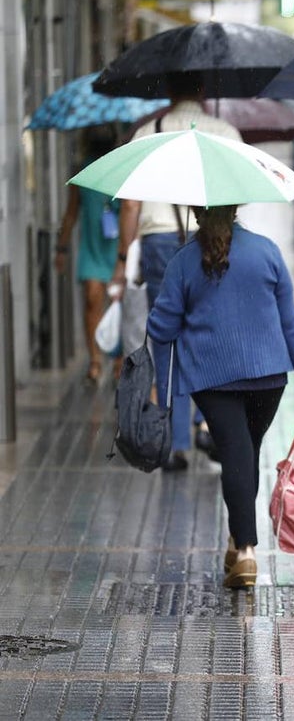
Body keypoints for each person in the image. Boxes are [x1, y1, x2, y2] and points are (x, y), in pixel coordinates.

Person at [146, 204, 294, 589]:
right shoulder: (267, 251)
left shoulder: (183, 261)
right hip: (269, 376)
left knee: (237, 455)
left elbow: (163, 328)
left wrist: (160, 310)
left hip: (212, 377)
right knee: (244, 453)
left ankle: (246, 551)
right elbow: (290, 322)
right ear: (236, 208)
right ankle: (237, 539)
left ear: (195, 212)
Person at [111, 71, 242, 471]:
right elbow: (239, 195)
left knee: (167, 338)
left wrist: (123, 258)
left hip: (159, 243)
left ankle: (177, 442)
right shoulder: (225, 132)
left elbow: (130, 204)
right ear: (203, 90)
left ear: (168, 90)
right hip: (213, 239)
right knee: (209, 334)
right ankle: (207, 422)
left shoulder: (147, 133)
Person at [54, 128, 120, 384]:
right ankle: (95, 358)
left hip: (117, 247)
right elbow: (71, 212)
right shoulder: (82, 172)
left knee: (118, 304)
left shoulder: (121, 167)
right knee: (92, 299)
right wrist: (61, 248)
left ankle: (118, 358)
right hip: (92, 247)